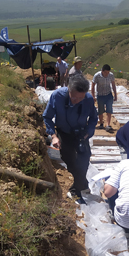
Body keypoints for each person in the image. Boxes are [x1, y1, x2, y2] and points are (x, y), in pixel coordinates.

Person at [42, 75, 97, 204]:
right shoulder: (57, 96)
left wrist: (88, 133)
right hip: (64, 133)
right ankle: (81, 186)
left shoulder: (88, 99)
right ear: (68, 89)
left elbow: (93, 118)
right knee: (70, 161)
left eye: (80, 98)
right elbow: (47, 117)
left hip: (81, 134)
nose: (77, 101)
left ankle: (76, 189)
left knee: (84, 160)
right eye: (74, 97)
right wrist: (53, 136)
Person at [91, 64, 118, 133]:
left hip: (108, 95)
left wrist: (115, 94)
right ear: (102, 71)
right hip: (100, 95)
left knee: (109, 110)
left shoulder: (111, 75)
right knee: (100, 110)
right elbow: (93, 86)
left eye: (108, 72)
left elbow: (113, 85)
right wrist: (93, 96)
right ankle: (101, 123)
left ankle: (108, 125)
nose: (107, 74)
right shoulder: (97, 76)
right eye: (106, 72)